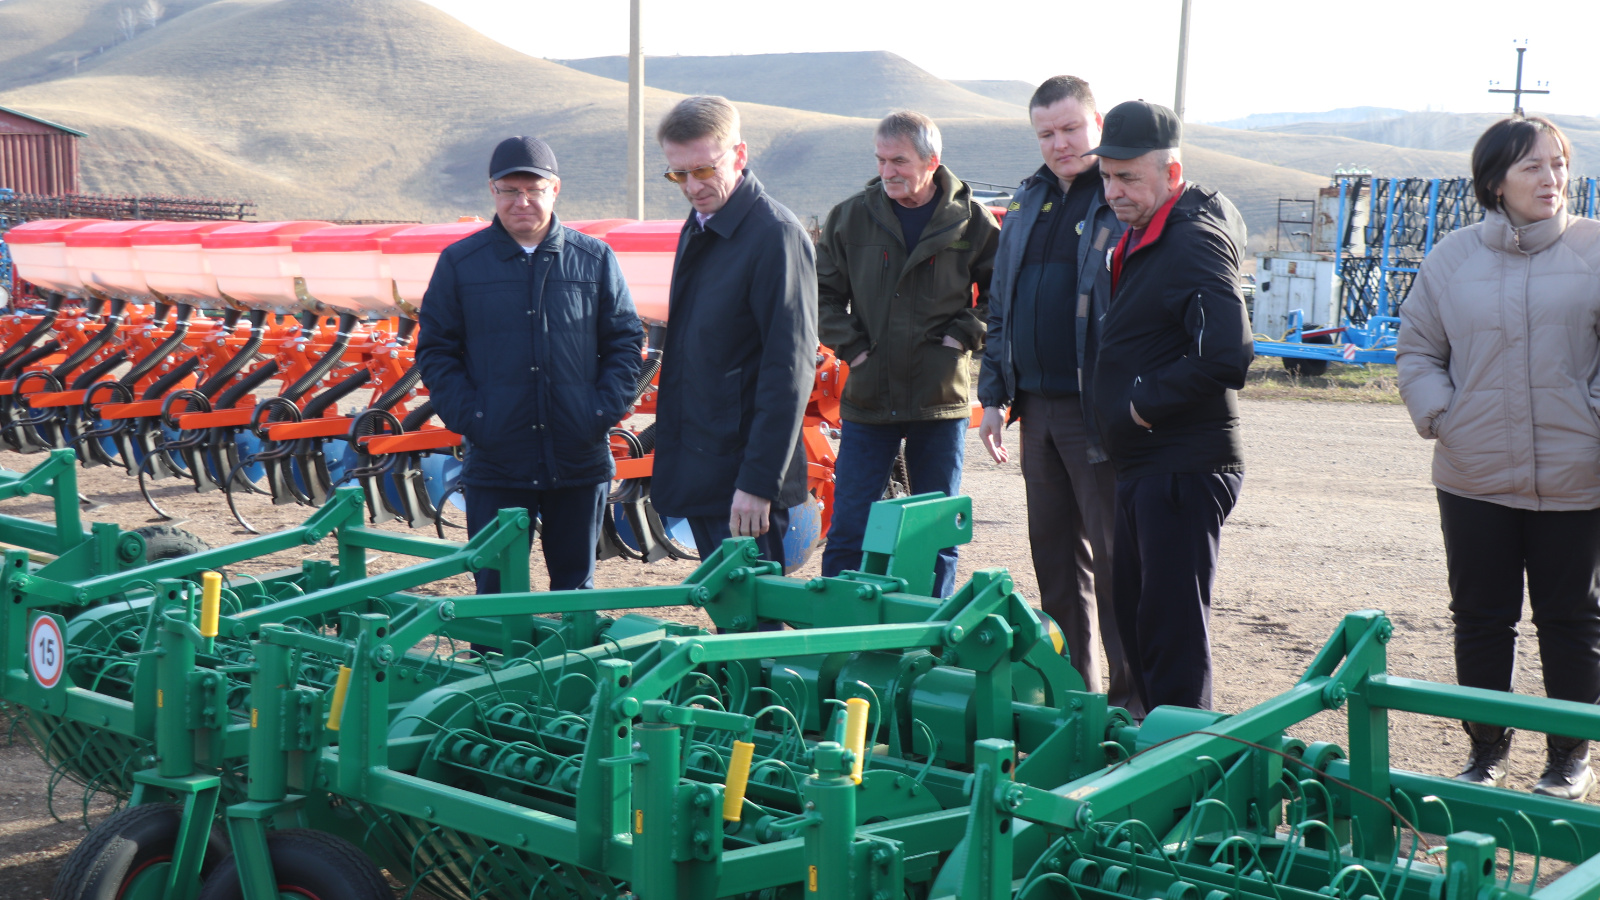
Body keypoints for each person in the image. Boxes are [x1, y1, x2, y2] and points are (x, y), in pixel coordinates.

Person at [1397, 116, 1600, 800]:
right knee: (1481, 618)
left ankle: (1570, 758)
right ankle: (1486, 753)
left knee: (1571, 621)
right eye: (1533, 167)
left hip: (1578, 476)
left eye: (1558, 163)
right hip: (1473, 475)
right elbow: (1419, 351)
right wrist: (1443, 415)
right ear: (1495, 182)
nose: (1552, 179)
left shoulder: (1595, 249)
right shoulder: (1451, 260)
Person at [416, 135, 644, 594]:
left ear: (554, 190)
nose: (522, 201)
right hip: (497, 458)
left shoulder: (593, 259)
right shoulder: (462, 263)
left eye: (533, 190)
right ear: (492, 192)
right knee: (496, 593)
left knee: (575, 591)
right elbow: (436, 351)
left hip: (577, 456)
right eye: (509, 190)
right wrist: (474, 418)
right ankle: (494, 667)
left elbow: (625, 341)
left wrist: (599, 412)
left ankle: (571, 668)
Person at [976, 76, 1137, 712]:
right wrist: (992, 394)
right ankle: (1075, 700)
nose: (1060, 144)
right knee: (1055, 567)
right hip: (1034, 411)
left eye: (1071, 129)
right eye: (1046, 133)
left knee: (1118, 560)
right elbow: (1000, 305)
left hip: (1097, 414)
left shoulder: (1118, 197)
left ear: (1097, 123)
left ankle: (1133, 703)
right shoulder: (1028, 200)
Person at [1089, 100, 1253, 713]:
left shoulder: (1193, 242)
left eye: (1129, 177)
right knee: (1141, 622)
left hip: (1182, 465)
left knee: (1172, 633)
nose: (1114, 191)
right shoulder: (1143, 236)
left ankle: (1185, 766)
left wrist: (1139, 406)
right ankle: (1158, 755)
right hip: (1146, 466)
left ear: (1172, 174)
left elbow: (1228, 354)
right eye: (1107, 176)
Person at [816, 110, 998, 597]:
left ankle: (929, 636)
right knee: (850, 526)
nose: (887, 170)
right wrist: (852, 349)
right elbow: (820, 294)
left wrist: (965, 333)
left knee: (935, 530)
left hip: (939, 398)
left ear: (932, 161)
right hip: (869, 396)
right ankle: (837, 628)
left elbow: (1004, 294)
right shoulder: (851, 217)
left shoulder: (971, 221)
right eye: (880, 159)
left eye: (898, 160)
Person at [649, 96, 817, 571]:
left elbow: (789, 369)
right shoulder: (700, 225)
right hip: (706, 468)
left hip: (744, 484)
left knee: (756, 630)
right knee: (730, 626)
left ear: (739, 155)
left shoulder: (774, 235)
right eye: (678, 174)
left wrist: (759, 483)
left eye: (704, 170)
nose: (691, 186)